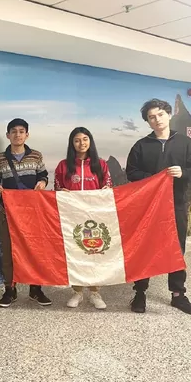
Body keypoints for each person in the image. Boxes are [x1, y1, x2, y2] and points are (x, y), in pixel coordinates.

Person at [126, 98, 191, 315]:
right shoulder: (141, 146)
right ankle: (140, 292)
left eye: (160, 114)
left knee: (176, 249)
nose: (157, 119)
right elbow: (131, 173)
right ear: (148, 122)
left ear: (168, 115)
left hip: (176, 205)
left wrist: (183, 173)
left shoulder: (186, 143)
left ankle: (178, 294)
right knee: (144, 248)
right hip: (148, 207)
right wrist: (154, 178)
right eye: (152, 117)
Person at [0, 118, 51, 308]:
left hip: (33, 212)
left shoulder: (36, 156)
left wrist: (42, 183)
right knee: (8, 251)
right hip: (8, 212)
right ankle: (10, 290)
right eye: (13, 131)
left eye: (21, 131)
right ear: (8, 135)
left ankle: (36, 288)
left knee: (35, 250)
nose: (18, 134)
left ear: (27, 134)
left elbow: (43, 175)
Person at [54, 127, 112, 310]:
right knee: (75, 253)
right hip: (72, 218)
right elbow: (56, 188)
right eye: (77, 140)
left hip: (95, 217)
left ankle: (95, 292)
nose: (82, 143)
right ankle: (77, 291)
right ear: (72, 143)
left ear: (90, 141)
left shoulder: (101, 164)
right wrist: (61, 192)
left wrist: (104, 192)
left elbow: (108, 186)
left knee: (94, 253)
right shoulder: (63, 166)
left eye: (85, 139)